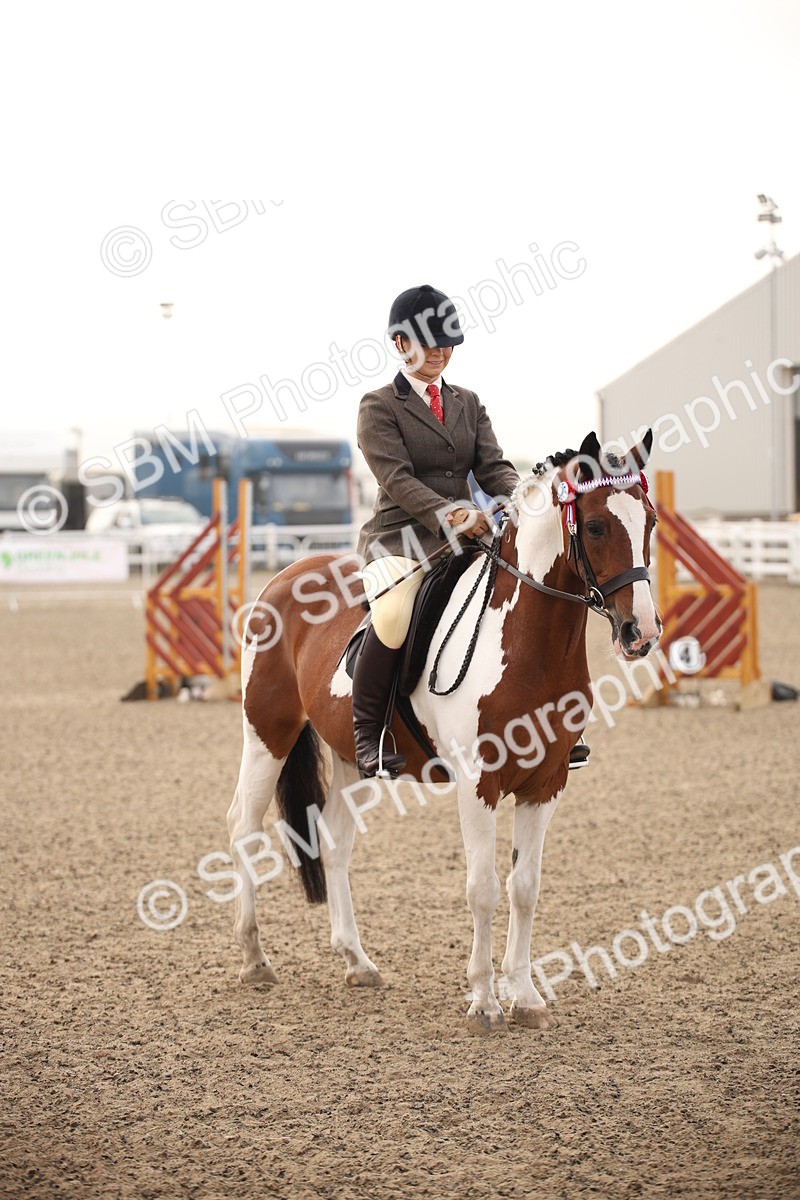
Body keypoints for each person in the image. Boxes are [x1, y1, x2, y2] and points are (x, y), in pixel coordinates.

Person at [352, 284, 520, 778]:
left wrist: (514, 498)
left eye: (448, 343)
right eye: (431, 343)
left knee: (524, 590)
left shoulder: (468, 402)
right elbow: (397, 479)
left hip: (467, 538)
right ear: (401, 344)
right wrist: (454, 513)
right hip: (401, 538)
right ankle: (369, 733)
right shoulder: (378, 406)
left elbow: (494, 467)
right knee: (395, 612)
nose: (442, 352)